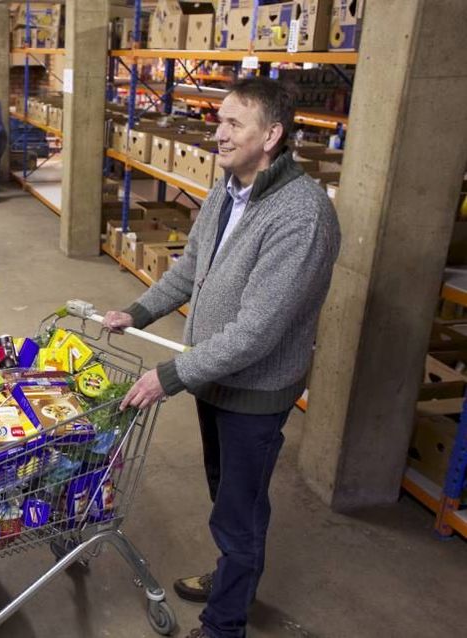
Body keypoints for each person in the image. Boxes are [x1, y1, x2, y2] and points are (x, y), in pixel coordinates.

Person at [103, 78, 340, 638]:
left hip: (254, 391)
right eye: (220, 120)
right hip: (215, 376)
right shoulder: (228, 188)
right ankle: (233, 574)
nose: (220, 132)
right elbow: (191, 269)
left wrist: (173, 375)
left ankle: (224, 623)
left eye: (235, 124)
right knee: (223, 491)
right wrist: (138, 311)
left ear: (272, 135)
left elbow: (257, 333)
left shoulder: (301, 216)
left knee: (240, 509)